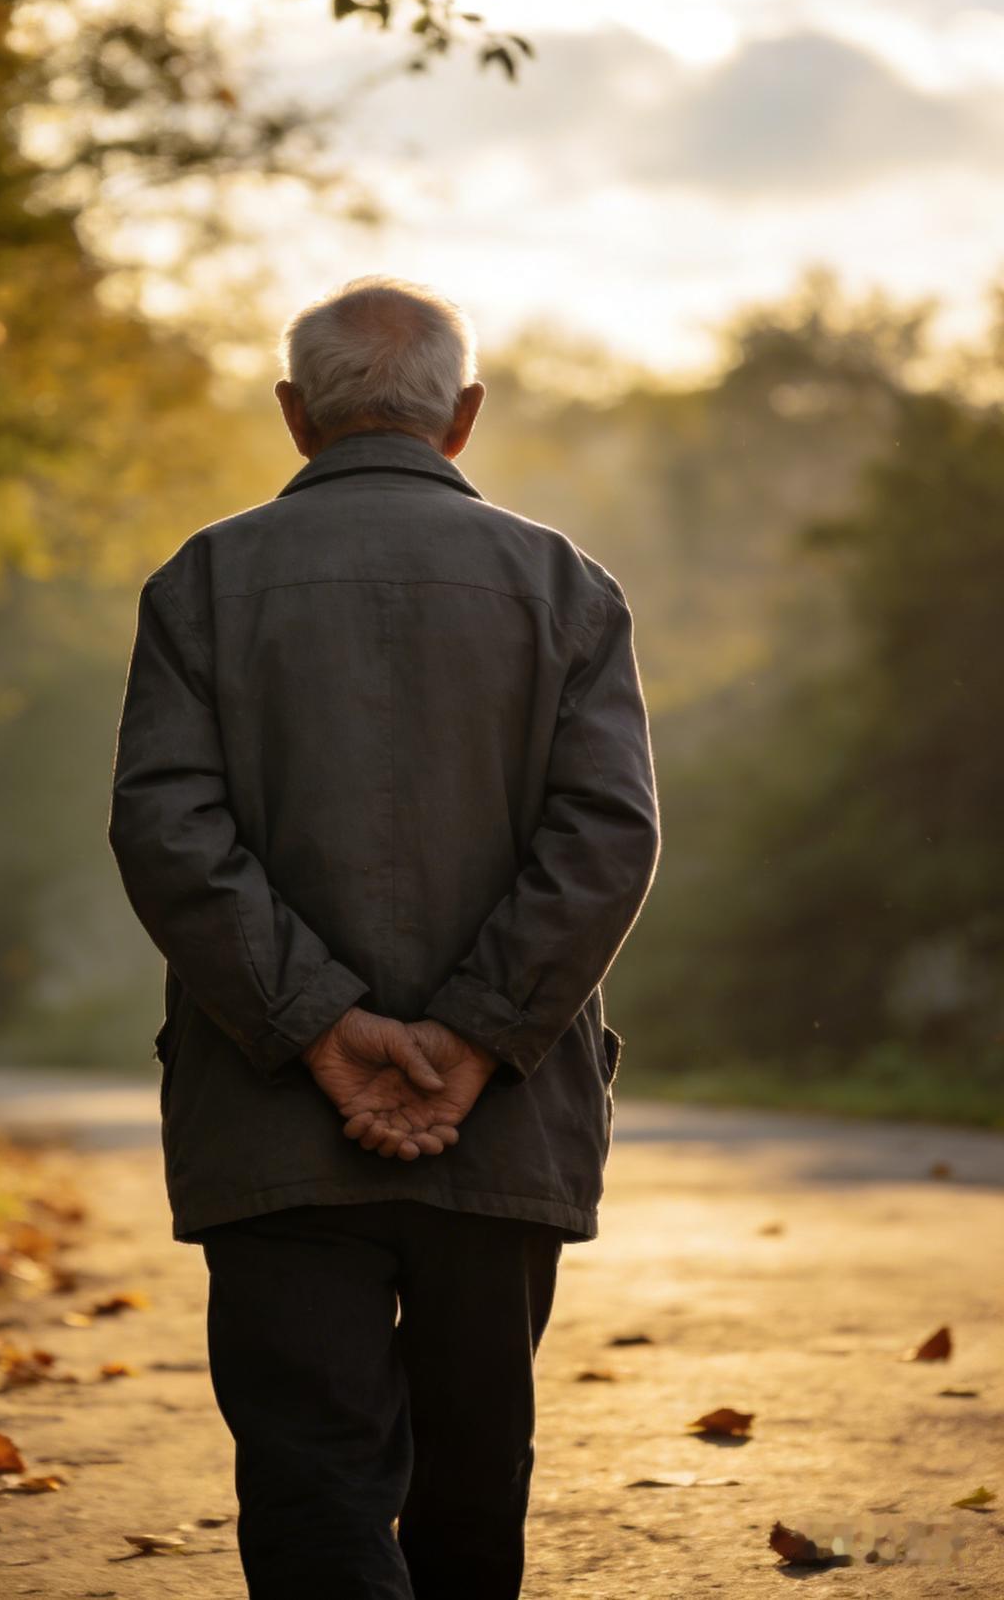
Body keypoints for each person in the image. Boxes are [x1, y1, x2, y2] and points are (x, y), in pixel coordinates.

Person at [108, 275, 660, 1600]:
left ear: (295, 414)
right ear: (463, 415)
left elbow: (168, 829)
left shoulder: (204, 581)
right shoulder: (565, 585)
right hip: (502, 1119)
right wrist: (472, 1036)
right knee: (475, 1472)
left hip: (272, 1121)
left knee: (312, 1477)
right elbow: (607, 834)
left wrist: (318, 1028)